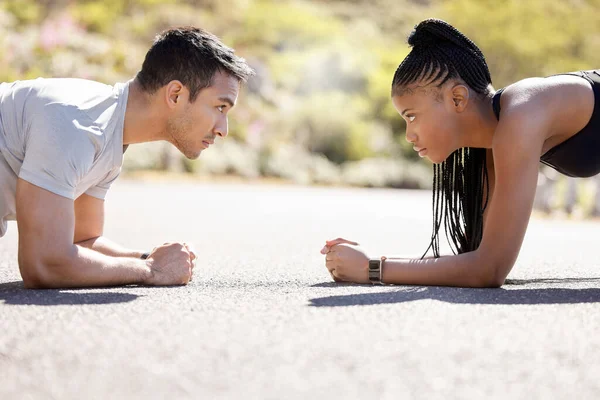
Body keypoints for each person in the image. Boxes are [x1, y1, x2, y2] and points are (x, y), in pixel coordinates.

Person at [321, 18, 599, 287]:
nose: (409, 135)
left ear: (457, 98)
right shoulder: (497, 141)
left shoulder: (521, 117)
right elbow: (476, 259)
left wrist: (371, 269)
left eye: (412, 116)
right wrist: (370, 261)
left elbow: (489, 270)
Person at [0, 27, 254, 289]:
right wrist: (151, 269)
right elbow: (44, 264)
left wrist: (150, 260)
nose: (223, 129)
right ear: (175, 94)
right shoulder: (78, 125)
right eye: (220, 107)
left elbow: (82, 240)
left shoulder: (109, 132)